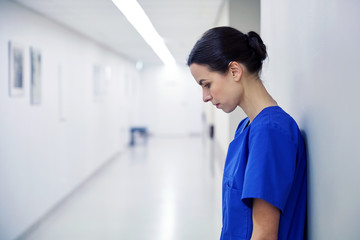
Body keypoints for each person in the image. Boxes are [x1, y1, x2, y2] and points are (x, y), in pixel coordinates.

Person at [187, 26, 307, 240]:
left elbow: (264, 235)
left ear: (234, 71)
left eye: (207, 84)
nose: (205, 96)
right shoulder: (246, 127)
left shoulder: (270, 133)